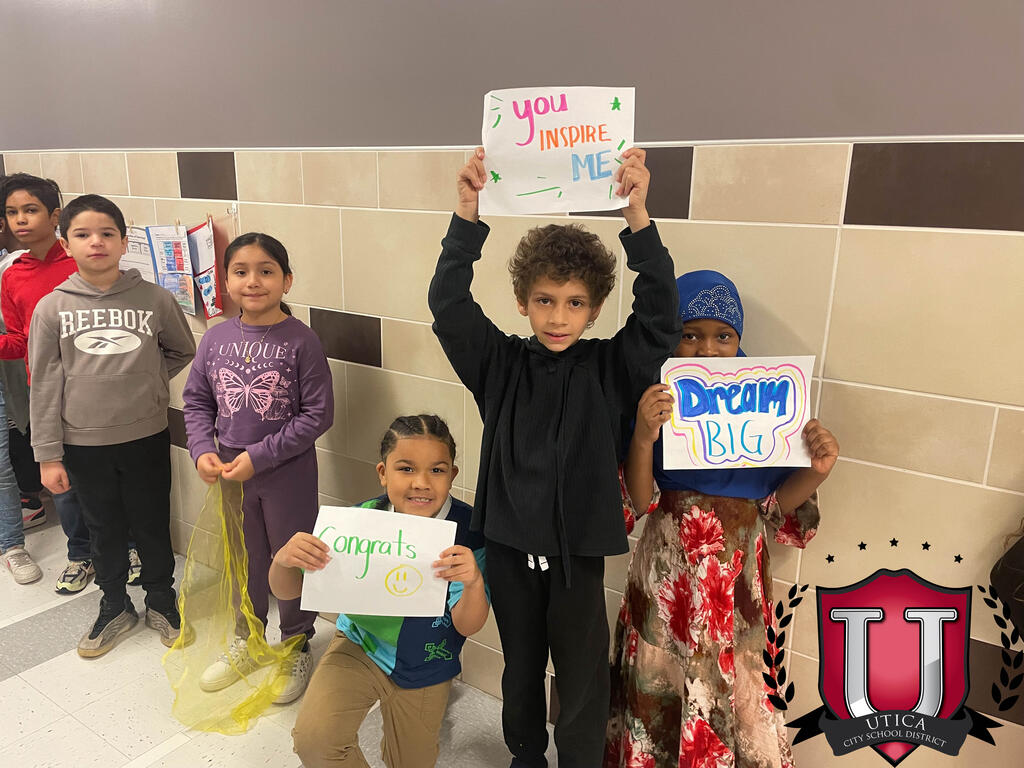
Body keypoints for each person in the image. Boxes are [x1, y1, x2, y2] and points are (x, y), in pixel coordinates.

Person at [428, 147, 680, 767]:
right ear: (522, 301)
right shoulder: (500, 365)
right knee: (520, 669)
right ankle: (525, 756)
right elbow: (449, 307)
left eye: (574, 303)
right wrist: (467, 217)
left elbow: (659, 319)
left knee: (581, 675)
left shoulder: (611, 368)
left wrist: (638, 218)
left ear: (594, 308)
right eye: (544, 300)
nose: (558, 317)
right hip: (509, 549)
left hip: (578, 560)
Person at [604, 270, 840, 768]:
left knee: (740, 692)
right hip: (667, 581)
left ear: (739, 341)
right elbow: (639, 501)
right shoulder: (657, 401)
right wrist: (643, 437)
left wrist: (816, 470)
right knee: (659, 680)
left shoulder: (770, 406)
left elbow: (777, 511)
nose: (707, 350)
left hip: (737, 589)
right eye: (689, 334)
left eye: (723, 336)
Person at [28, 194, 196, 656]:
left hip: (146, 435)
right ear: (67, 244)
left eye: (107, 233)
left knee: (151, 522)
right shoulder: (51, 308)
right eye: (83, 235)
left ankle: (161, 599)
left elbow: (182, 350)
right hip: (83, 444)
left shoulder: (155, 299)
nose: (96, 242)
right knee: (102, 528)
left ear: (124, 241)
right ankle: (115, 604)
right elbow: (43, 384)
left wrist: (146, 381)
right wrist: (47, 455)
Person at [283, 414, 489, 768]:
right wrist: (283, 560)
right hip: (360, 644)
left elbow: (469, 625)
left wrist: (473, 583)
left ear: (452, 474)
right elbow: (286, 589)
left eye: (437, 470)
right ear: (383, 472)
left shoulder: (470, 534)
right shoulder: (359, 521)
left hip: (427, 663)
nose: (421, 483)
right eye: (406, 469)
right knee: (315, 741)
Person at [182, 232, 333, 703]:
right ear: (225, 282)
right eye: (241, 272)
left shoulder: (302, 341)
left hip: (287, 475)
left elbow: (318, 415)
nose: (253, 281)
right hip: (230, 475)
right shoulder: (215, 338)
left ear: (286, 281)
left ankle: (294, 644)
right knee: (243, 558)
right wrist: (202, 449)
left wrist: (260, 457)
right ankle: (247, 639)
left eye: (266, 271)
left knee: (292, 557)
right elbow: (196, 401)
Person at [1, 173, 98, 592]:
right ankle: (80, 555)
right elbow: (19, 340)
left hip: (93, 390)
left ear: (55, 216)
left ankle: (127, 546)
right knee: (60, 481)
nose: (20, 220)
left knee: (106, 475)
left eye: (30, 210)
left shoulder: (80, 262)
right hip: (44, 395)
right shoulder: (12, 275)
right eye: (12, 212)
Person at [0, 187, 40, 583]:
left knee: (4, 466)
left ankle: (13, 545)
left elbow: (19, 338)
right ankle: (10, 543)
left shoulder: (12, 268)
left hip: (13, 379)